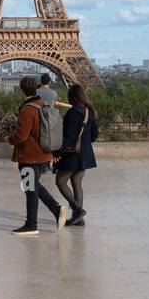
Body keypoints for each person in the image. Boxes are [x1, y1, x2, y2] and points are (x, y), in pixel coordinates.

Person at [8, 75, 65, 237]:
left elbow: (22, 135)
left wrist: (9, 139)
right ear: (35, 89)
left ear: (22, 92)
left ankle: (31, 224)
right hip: (43, 155)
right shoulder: (43, 105)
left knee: (30, 190)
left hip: (28, 157)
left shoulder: (27, 110)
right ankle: (56, 209)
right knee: (34, 186)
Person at [53, 83, 98, 227]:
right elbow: (94, 134)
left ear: (72, 97)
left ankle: (77, 211)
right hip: (84, 152)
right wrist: (84, 142)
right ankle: (79, 219)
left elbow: (69, 135)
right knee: (77, 183)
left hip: (73, 154)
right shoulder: (89, 111)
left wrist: (58, 151)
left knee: (60, 181)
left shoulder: (73, 112)